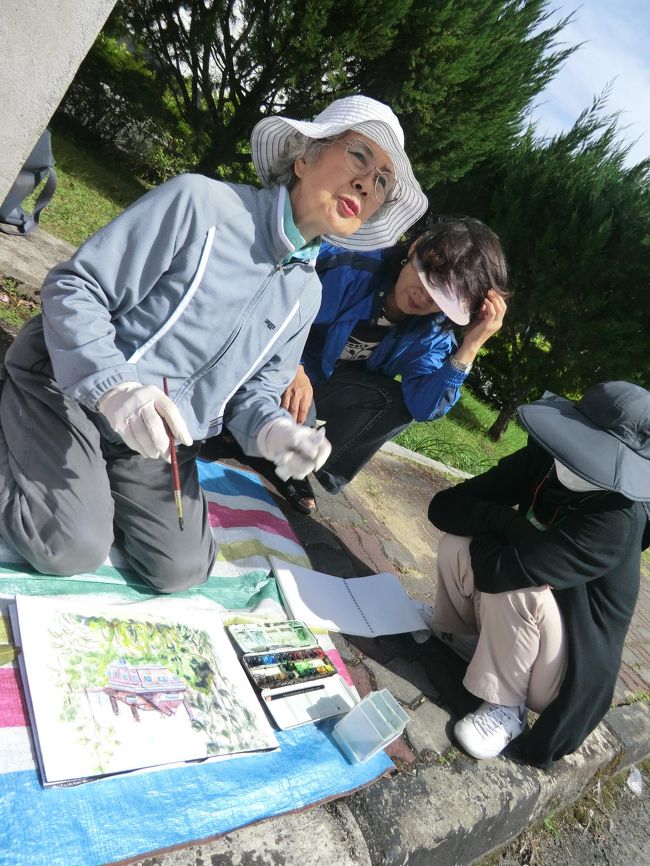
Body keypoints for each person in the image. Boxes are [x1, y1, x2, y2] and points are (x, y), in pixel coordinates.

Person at [0, 95, 428, 592]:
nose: (366, 183)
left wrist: (273, 433)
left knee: (181, 569)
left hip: (160, 437)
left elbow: (254, 395)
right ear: (305, 154)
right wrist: (115, 389)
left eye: (382, 182)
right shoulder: (202, 204)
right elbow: (74, 287)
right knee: (71, 543)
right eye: (359, 156)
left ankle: (84, 475)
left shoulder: (307, 292)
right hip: (68, 389)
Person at [426, 381, 650, 767]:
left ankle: (506, 707)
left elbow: (506, 572)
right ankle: (463, 637)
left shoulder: (617, 520)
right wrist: (504, 521)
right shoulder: (544, 462)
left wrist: (499, 531)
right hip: (526, 619)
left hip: (559, 670)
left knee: (518, 586)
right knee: (455, 544)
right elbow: (444, 506)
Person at [274, 217, 508, 513]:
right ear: (416, 249)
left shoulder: (432, 332)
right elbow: (277, 307)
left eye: (442, 298)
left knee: (397, 403)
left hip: (324, 387)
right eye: (427, 279)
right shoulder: (351, 267)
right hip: (279, 364)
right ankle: (273, 439)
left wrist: (470, 347)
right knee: (270, 431)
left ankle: (301, 462)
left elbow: (423, 407)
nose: (423, 297)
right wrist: (292, 364)